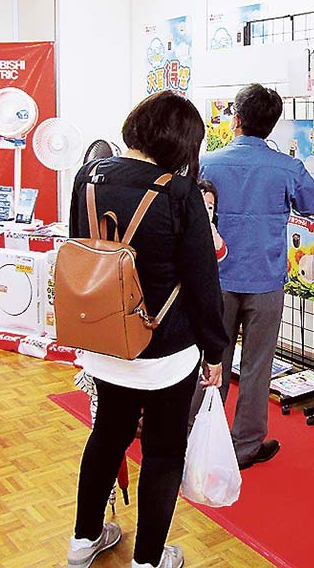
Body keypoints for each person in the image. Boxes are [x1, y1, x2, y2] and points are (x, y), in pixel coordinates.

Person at [66, 91, 229, 568]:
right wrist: (216, 352)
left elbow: (84, 251)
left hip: (102, 337)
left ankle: (83, 541)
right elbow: (202, 281)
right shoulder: (178, 193)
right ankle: (149, 561)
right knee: (162, 450)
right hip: (164, 348)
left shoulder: (88, 178)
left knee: (107, 434)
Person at [190, 84, 314, 469]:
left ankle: (188, 432)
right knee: (257, 365)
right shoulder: (287, 167)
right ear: (272, 126)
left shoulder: (208, 163)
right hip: (265, 279)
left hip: (216, 277)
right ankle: (245, 445)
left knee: (209, 358)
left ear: (235, 119)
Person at [197, 178, 228, 262]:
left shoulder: (211, 230)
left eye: (210, 207)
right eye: (202, 205)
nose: (206, 211)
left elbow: (221, 252)